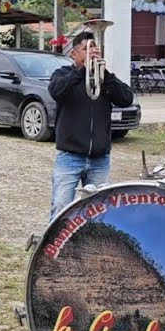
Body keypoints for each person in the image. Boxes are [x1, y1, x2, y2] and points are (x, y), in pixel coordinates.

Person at [46, 31, 134, 219]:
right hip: (70, 156)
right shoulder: (63, 74)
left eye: (95, 49)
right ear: (74, 54)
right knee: (61, 206)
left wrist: (105, 74)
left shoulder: (104, 79)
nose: (93, 52)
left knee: (96, 211)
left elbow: (126, 98)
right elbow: (56, 91)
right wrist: (82, 71)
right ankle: (57, 239)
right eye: (87, 49)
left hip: (99, 159)